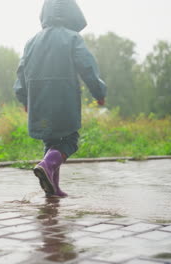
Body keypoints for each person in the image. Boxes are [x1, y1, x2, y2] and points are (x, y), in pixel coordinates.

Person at [14, 0, 107, 197]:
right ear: (72, 14)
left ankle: (52, 188)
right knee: (69, 140)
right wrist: (98, 92)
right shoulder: (72, 38)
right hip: (63, 98)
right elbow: (87, 67)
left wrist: (24, 99)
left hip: (38, 99)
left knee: (50, 141)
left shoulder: (31, 41)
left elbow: (21, 72)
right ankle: (47, 166)